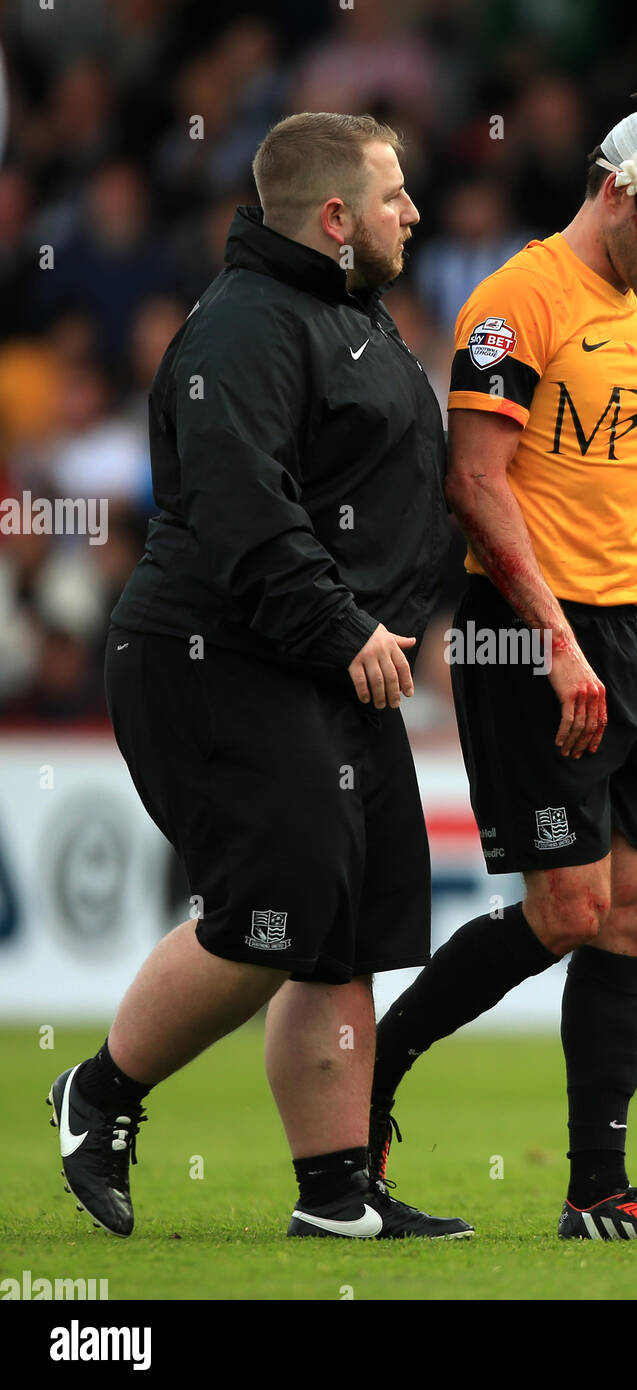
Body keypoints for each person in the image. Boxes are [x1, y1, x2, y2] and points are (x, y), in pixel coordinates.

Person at [47, 112, 472, 1241]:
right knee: (273, 913)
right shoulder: (244, 327)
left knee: (341, 932)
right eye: (393, 197)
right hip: (221, 656)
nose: (413, 215)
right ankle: (99, 1092)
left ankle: (337, 1194)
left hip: (330, 664)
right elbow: (244, 509)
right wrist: (342, 627)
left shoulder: (349, 314)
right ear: (335, 218)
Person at [370, 89, 637, 1243]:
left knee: (630, 909)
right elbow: (475, 486)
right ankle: (378, 1063)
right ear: (619, 185)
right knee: (569, 906)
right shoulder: (517, 299)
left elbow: (627, 495)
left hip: (626, 627)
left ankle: (598, 1192)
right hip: (531, 633)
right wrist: (565, 643)